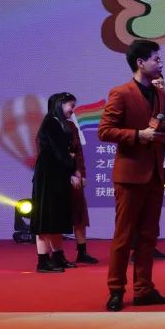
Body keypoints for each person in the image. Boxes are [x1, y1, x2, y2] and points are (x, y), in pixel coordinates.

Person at [97, 40, 165, 311]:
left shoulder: (160, 93)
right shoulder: (121, 93)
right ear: (140, 63)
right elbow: (105, 131)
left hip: (155, 173)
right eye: (156, 59)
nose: (161, 63)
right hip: (130, 175)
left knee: (148, 236)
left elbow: (158, 125)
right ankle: (116, 290)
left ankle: (144, 289)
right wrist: (137, 135)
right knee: (123, 237)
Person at [30, 92, 77, 273]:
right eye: (71, 106)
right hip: (48, 176)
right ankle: (43, 261)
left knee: (56, 216)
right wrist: (72, 166)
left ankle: (58, 256)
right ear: (60, 104)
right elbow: (60, 151)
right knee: (46, 218)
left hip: (57, 175)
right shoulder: (51, 122)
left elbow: (65, 151)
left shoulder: (59, 123)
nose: (72, 110)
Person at [63, 98, 98, 265]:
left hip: (75, 178)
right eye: (70, 106)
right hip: (58, 179)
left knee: (79, 215)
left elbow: (78, 153)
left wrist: (81, 174)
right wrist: (66, 174)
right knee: (57, 216)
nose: (73, 110)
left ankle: (82, 252)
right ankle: (56, 254)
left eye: (74, 106)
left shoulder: (72, 127)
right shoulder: (49, 126)